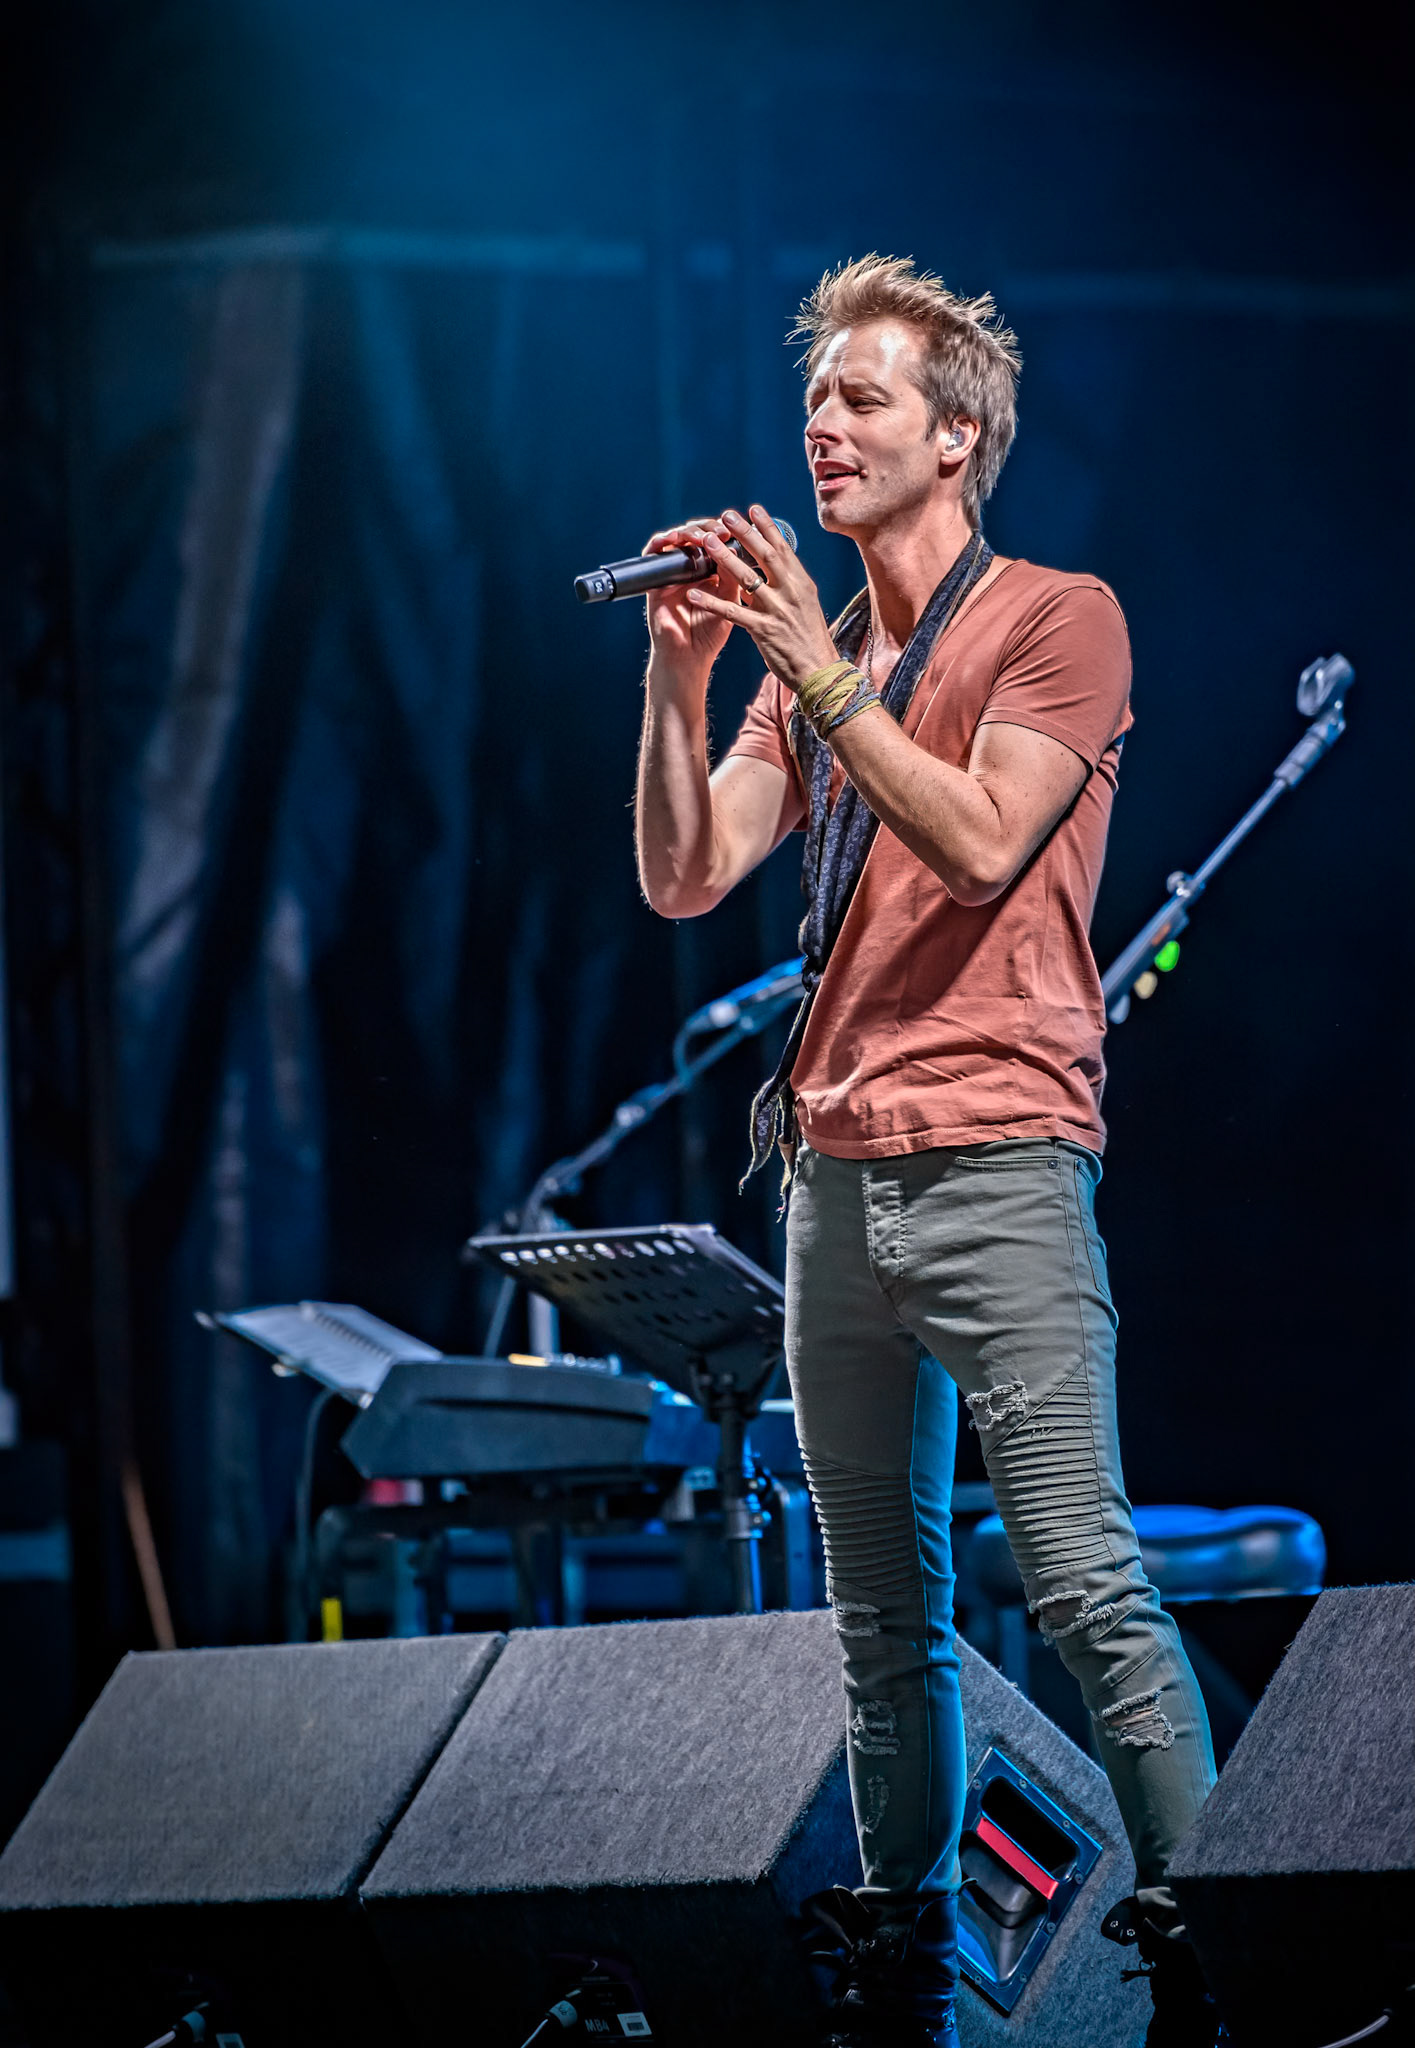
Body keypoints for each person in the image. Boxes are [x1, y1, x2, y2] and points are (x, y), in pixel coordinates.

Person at [632, 254, 1220, 2048]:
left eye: (863, 398)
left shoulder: (1059, 617)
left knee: (1084, 1583)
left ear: (955, 435)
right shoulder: (818, 669)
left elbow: (975, 843)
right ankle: (908, 1981)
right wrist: (679, 674)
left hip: (998, 1162)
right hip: (831, 1180)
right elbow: (685, 874)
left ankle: (1220, 1958)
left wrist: (812, 668)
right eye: (814, 399)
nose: (822, 426)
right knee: (878, 1618)